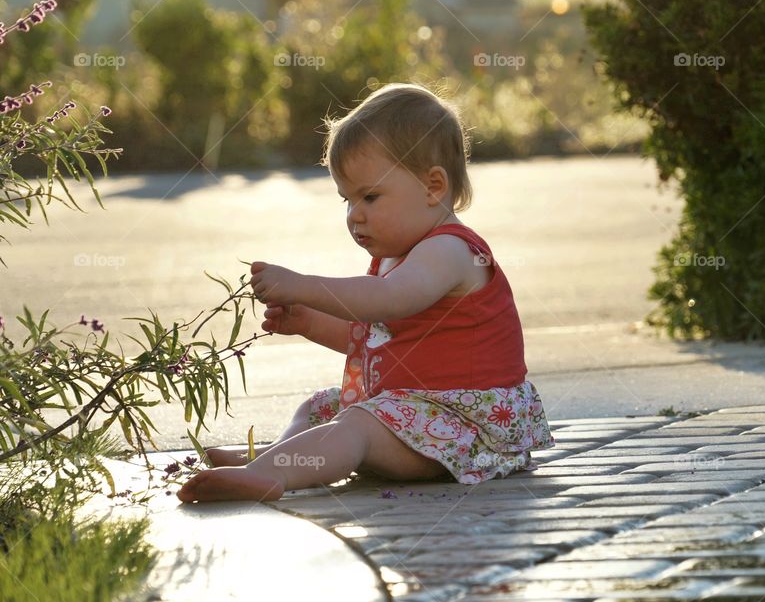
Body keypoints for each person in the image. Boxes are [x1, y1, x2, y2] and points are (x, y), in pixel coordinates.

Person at [177, 83, 554, 503]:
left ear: (432, 187)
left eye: (370, 196)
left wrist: (304, 285)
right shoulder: (396, 259)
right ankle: (272, 457)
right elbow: (377, 338)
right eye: (347, 200)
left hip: (465, 430)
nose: (355, 215)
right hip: (412, 419)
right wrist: (310, 322)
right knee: (321, 406)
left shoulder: (449, 251)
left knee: (355, 423)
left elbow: (389, 300)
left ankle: (271, 474)